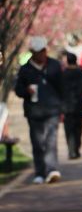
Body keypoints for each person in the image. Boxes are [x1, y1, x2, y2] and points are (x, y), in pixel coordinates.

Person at [15, 36, 63, 185]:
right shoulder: (25, 69)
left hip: (53, 110)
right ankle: (40, 172)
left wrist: (63, 109)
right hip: (34, 111)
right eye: (38, 52)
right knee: (37, 142)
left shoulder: (55, 65)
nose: (41, 54)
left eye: (43, 51)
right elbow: (18, 90)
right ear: (32, 52)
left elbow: (62, 88)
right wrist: (26, 91)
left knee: (51, 140)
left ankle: (51, 169)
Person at [62, 52, 82, 159]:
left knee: (69, 129)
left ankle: (72, 150)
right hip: (79, 106)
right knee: (78, 128)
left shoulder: (63, 74)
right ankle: (76, 149)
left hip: (67, 107)